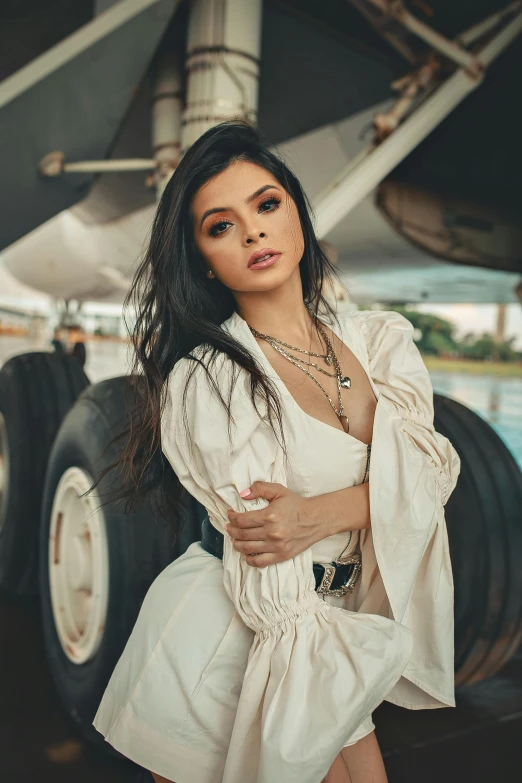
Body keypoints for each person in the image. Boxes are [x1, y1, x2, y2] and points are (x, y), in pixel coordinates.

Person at [92, 120, 461, 783]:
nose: (254, 231)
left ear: (296, 211)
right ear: (203, 257)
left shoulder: (380, 343)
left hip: (329, 630)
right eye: (221, 225)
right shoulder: (210, 380)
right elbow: (273, 555)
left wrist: (320, 515)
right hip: (236, 642)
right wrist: (374, 503)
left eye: (266, 204)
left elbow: (433, 475)